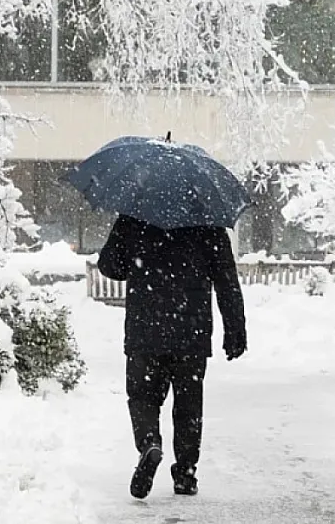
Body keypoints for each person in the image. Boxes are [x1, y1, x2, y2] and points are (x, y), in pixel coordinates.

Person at [97, 214, 247, 499]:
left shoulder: (134, 216)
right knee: (189, 404)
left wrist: (135, 253)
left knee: (143, 396)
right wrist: (235, 329)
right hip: (191, 330)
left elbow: (110, 266)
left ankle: (149, 442)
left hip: (145, 329)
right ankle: (185, 473)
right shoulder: (209, 224)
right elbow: (226, 279)